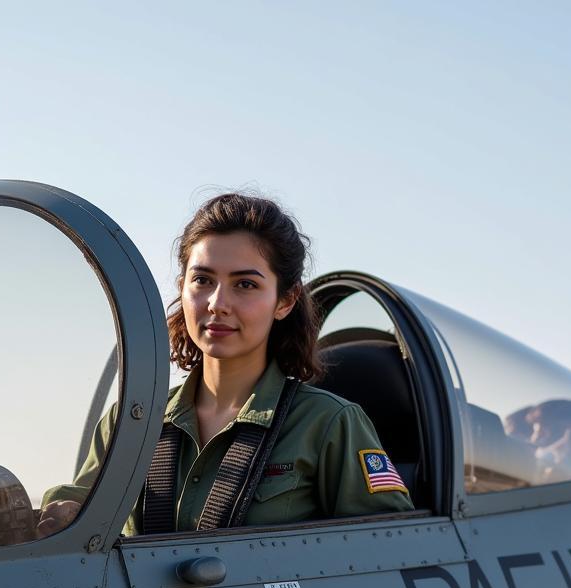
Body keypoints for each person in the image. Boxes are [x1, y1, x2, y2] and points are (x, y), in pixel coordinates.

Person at [38, 193, 412, 537]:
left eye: (245, 285)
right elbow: (75, 519)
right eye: (202, 279)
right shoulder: (131, 423)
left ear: (285, 301)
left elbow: (391, 552)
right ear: (182, 286)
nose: (217, 303)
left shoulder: (328, 425)